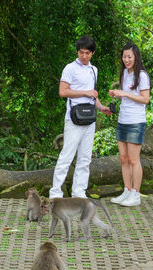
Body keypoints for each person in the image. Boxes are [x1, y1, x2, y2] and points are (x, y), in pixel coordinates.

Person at [49, 36, 112, 199]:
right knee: (67, 155)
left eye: (87, 53)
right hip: (74, 118)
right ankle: (56, 192)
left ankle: (79, 191)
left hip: (89, 118)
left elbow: (93, 95)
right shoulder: (70, 68)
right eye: (81, 52)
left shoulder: (93, 70)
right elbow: (63, 91)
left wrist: (101, 107)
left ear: (93, 53)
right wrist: (85, 92)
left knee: (85, 157)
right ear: (77, 51)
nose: (84, 56)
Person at [109, 42, 150, 207]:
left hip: (135, 121)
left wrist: (125, 93)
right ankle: (126, 190)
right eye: (124, 56)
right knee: (123, 158)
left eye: (129, 56)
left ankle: (136, 193)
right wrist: (117, 94)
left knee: (134, 159)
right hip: (122, 120)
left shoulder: (142, 75)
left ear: (136, 57)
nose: (126, 59)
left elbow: (145, 99)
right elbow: (127, 96)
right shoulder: (124, 73)